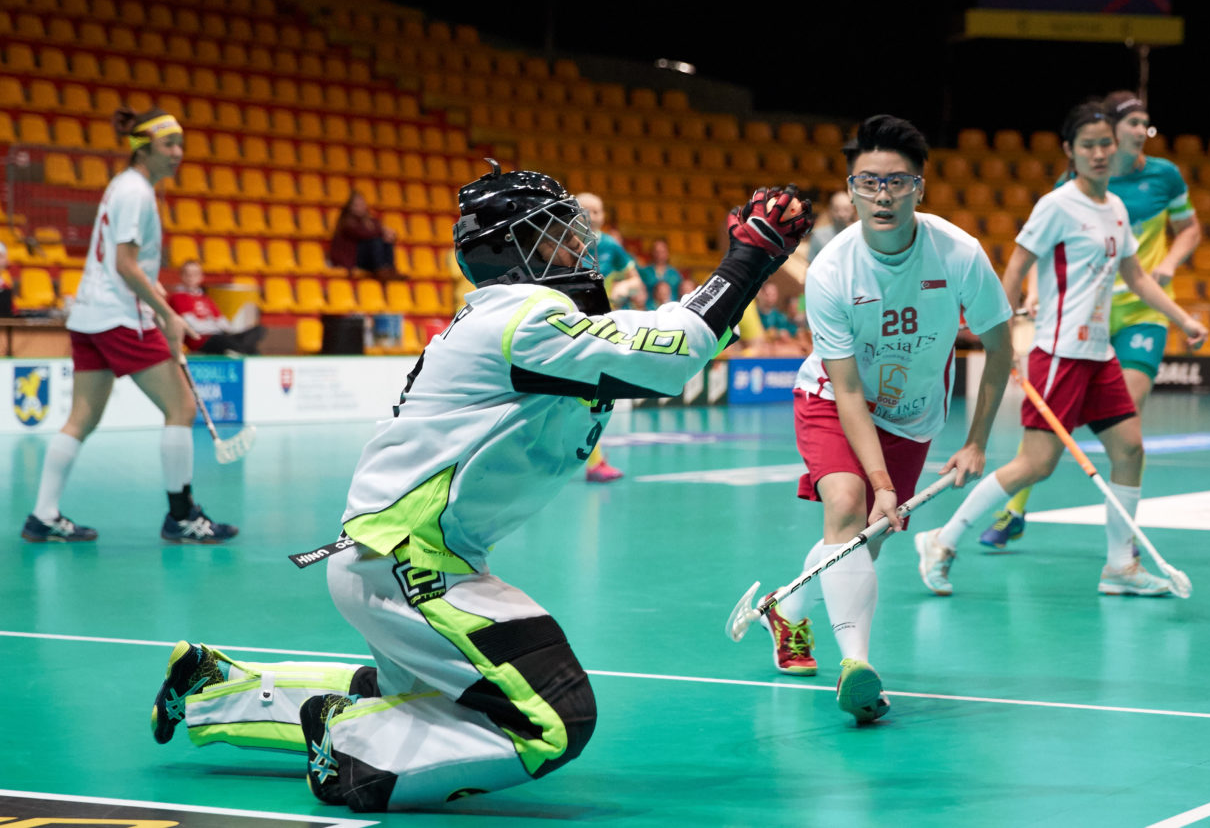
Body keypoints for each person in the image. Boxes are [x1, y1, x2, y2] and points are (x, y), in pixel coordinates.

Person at [147, 162, 813, 812]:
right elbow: (674, 353)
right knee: (555, 715)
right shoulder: (524, 317)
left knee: (425, 700)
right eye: (555, 232)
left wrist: (738, 272)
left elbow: (673, 338)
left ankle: (215, 689)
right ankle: (351, 752)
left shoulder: (517, 316)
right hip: (414, 561)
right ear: (509, 251)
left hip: (396, 555)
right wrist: (751, 256)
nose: (577, 245)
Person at [759, 115, 1014, 723]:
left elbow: (1001, 349)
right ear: (851, 189)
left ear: (919, 188)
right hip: (833, 400)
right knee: (848, 507)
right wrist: (881, 485)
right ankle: (858, 667)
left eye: (897, 182)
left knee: (857, 550)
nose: (882, 194)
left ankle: (787, 611)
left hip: (912, 416)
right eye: (868, 181)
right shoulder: (830, 272)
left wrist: (976, 441)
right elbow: (845, 389)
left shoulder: (959, 254)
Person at [914, 102, 1208, 597]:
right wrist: (1000, 342)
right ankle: (941, 539)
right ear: (1071, 152)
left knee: (1131, 449)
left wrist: (1182, 318)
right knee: (1036, 463)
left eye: (1105, 144)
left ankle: (1120, 567)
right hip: (1060, 354)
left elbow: (1134, 276)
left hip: (1099, 356)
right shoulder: (1056, 206)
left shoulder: (1115, 209)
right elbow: (1013, 270)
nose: (1098, 153)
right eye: (1088, 145)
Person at [980, 91, 1203, 547]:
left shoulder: (1165, 176)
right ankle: (1014, 509)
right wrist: (1037, 294)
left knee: (1127, 428)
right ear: (1108, 134)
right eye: (1133, 124)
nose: (1141, 132)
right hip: (1083, 316)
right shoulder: (1078, 183)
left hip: (1142, 312)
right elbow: (1043, 250)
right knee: (1054, 426)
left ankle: (1122, 549)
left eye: (1146, 124)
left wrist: (1171, 265)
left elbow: (1190, 229)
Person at [20, 107, 238, 545]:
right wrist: (166, 312)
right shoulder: (137, 192)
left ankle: (42, 516)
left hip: (89, 314)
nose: (178, 154)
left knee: (81, 417)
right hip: (120, 317)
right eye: (168, 146)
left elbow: (124, 262)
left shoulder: (123, 187)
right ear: (143, 149)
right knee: (181, 408)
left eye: (180, 145)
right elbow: (124, 265)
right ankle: (181, 516)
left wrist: (157, 300)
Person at [572, 191, 640, 482]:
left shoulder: (611, 247)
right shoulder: (559, 242)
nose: (592, 216)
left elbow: (635, 279)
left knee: (591, 397)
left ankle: (595, 461)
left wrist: (625, 289)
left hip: (599, 327)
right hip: (567, 324)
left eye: (597, 211)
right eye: (585, 210)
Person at [167, 260, 266, 355]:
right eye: (187, 274)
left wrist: (224, 329)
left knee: (258, 330)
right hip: (201, 340)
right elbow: (193, 326)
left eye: (195, 274)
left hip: (219, 335)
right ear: (181, 276)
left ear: (201, 276)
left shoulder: (205, 298)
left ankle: (239, 349)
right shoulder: (178, 297)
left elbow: (222, 321)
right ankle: (239, 349)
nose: (191, 277)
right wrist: (215, 326)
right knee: (244, 348)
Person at [329, 191, 401, 280]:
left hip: (368, 259)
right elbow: (363, 234)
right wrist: (383, 232)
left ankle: (389, 269)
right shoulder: (346, 222)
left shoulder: (370, 220)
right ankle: (380, 269)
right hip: (353, 260)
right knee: (376, 241)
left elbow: (376, 230)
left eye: (361, 204)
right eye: (356, 204)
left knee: (386, 240)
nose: (360, 207)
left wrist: (387, 233)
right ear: (350, 206)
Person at [806, 190, 855, 261]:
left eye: (846, 209)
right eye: (836, 209)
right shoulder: (818, 236)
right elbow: (810, 265)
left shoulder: (860, 235)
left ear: (853, 210)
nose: (841, 214)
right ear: (830, 210)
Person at [637, 237, 683, 304]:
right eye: (656, 251)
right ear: (652, 252)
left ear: (668, 253)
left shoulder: (675, 274)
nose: (659, 255)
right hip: (649, 310)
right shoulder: (644, 272)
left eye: (662, 251)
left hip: (670, 310)